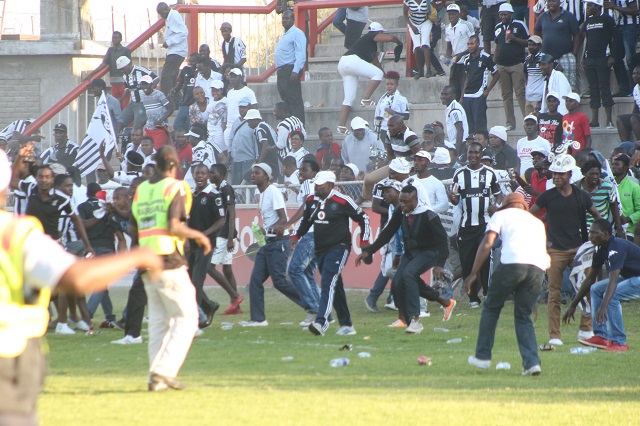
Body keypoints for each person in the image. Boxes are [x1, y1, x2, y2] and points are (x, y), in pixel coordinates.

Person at [0, 149, 164, 423]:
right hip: (10, 354)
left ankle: (76, 320)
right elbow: (76, 278)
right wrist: (138, 256)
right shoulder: (13, 233)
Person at [130, 144, 211, 391]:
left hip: (146, 261)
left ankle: (155, 377)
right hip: (168, 258)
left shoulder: (141, 189)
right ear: (174, 166)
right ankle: (164, 372)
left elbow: (133, 229)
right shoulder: (175, 187)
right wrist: (200, 236)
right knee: (188, 318)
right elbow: (175, 226)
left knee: (158, 321)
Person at [465, 192, 549, 375]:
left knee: (491, 307)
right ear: (524, 207)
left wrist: (473, 273)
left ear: (505, 206)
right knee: (523, 316)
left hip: (512, 264)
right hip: (538, 269)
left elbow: (488, 243)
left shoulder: (501, 215)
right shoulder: (536, 222)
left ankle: (482, 357)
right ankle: (532, 363)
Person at [357, 184, 456, 333]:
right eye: (401, 201)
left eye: (407, 202)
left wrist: (439, 264)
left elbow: (443, 240)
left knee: (409, 274)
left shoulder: (429, 214)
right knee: (397, 281)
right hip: (410, 252)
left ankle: (415, 320)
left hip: (429, 252)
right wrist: (370, 250)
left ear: (416, 199)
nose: (403, 204)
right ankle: (412, 316)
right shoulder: (401, 211)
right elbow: (388, 231)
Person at [529, 153, 601, 345]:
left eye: (560, 174)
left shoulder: (581, 196)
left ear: (570, 175)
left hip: (578, 249)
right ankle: (554, 335)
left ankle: (586, 329)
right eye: (554, 174)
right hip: (555, 251)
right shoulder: (547, 196)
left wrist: (595, 237)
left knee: (586, 289)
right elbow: (530, 216)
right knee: (554, 294)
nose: (556, 177)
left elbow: (597, 216)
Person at [292, 170, 371, 336]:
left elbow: (363, 218)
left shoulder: (342, 200)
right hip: (320, 249)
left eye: (320, 185)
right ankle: (346, 325)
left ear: (330, 185)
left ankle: (321, 322)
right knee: (336, 285)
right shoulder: (311, 200)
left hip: (339, 247)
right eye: (315, 184)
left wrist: (364, 242)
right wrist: (296, 236)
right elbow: (306, 221)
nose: (316, 188)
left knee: (328, 281)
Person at [241, 163, 307, 327]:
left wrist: (268, 229)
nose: (253, 175)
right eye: (253, 173)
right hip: (267, 244)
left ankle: (315, 306)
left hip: (278, 243)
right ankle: (258, 319)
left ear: (267, 176)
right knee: (255, 280)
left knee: (279, 281)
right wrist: (265, 232)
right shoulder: (262, 193)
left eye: (257, 173)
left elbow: (283, 219)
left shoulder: (273, 191)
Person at [563, 219, 640, 351]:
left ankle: (619, 342)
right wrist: (573, 304)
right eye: (590, 232)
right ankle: (601, 336)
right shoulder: (600, 248)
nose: (591, 236)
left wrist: (604, 306)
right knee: (595, 289)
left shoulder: (616, 247)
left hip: (637, 278)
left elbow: (613, 279)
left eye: (595, 233)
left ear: (606, 234)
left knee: (611, 295)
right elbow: (589, 279)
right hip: (632, 277)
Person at [449, 142, 502, 308]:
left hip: (485, 225)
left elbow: (498, 195)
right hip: (466, 225)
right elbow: (455, 197)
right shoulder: (459, 174)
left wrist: (496, 206)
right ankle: (473, 298)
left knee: (486, 261)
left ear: (481, 154)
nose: (472, 156)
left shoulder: (490, 174)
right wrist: (453, 198)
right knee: (467, 262)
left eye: (476, 153)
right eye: (470, 153)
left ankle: (487, 294)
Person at [336, 22, 403, 134]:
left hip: (343, 64)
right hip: (351, 61)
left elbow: (376, 63)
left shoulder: (369, 47)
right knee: (377, 75)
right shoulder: (371, 35)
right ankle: (366, 99)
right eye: (381, 33)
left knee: (348, 99)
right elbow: (390, 37)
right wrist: (398, 42)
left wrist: (385, 74)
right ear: (379, 32)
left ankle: (341, 127)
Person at [188, 164, 225, 329]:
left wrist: (205, 234)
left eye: (203, 173)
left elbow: (221, 220)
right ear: (193, 175)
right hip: (191, 244)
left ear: (208, 176)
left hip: (206, 244)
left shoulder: (213, 195)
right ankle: (208, 305)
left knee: (196, 281)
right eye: (197, 174)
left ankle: (195, 318)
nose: (200, 176)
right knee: (187, 281)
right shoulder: (191, 195)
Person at [207, 164, 243, 314]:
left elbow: (232, 212)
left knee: (209, 267)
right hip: (224, 234)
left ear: (221, 174)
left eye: (212, 173)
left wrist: (230, 238)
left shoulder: (226, 188)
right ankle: (236, 306)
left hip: (223, 235)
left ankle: (235, 296)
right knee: (227, 269)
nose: (210, 175)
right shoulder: (218, 189)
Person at [580, 0, 616, 129]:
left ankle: (609, 120)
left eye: (590, 5)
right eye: (587, 5)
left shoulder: (607, 19)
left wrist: (612, 56)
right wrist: (584, 57)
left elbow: (615, 38)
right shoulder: (588, 22)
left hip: (603, 58)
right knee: (593, 89)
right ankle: (594, 120)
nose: (587, 7)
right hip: (590, 59)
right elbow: (587, 41)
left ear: (597, 6)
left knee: (604, 88)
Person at [493, 2, 528, 131]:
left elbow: (527, 42)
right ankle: (510, 123)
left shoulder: (519, 24)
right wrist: (494, 63)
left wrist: (514, 38)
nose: (503, 16)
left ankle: (527, 121)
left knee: (520, 93)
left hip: (516, 64)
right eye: (501, 14)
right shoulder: (497, 27)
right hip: (502, 65)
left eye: (505, 14)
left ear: (511, 14)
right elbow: (497, 46)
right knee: (506, 95)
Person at [533, 0, 581, 92]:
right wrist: (541, 46)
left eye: (554, 1)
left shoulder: (568, 16)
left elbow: (576, 35)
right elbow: (536, 30)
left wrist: (574, 53)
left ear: (560, 2)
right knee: (550, 87)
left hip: (565, 56)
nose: (551, 3)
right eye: (549, 1)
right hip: (547, 58)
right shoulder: (542, 17)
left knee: (568, 86)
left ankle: (568, 106)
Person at [461, 35, 500, 134]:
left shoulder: (486, 57)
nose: (470, 46)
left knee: (480, 127)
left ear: (478, 44)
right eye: (468, 44)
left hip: (479, 95)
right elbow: (467, 78)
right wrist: (462, 96)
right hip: (467, 96)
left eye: (472, 44)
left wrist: (487, 90)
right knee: (469, 127)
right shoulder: (466, 59)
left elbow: (496, 74)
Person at [275, 10, 306, 124]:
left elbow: (301, 54)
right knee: (286, 100)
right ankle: (291, 127)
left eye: (288, 18)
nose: (285, 20)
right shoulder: (285, 34)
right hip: (282, 71)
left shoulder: (297, 33)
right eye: (283, 18)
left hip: (291, 70)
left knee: (294, 101)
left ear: (293, 20)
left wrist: (296, 71)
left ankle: (299, 128)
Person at [84, 31, 132, 103]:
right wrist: (92, 73)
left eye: (116, 37)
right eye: (113, 37)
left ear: (121, 39)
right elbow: (104, 64)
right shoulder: (110, 50)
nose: (114, 39)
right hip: (114, 82)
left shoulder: (126, 50)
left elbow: (129, 66)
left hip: (124, 82)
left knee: (124, 104)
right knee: (116, 104)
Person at [576, 159, 623, 234]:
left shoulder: (607, 187)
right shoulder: (576, 188)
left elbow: (613, 205)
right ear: (584, 173)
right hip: (579, 228)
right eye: (592, 174)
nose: (595, 177)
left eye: (597, 174)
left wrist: (619, 226)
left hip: (599, 228)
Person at [156, 2, 188, 104]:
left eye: (161, 13)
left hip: (177, 51)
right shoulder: (170, 18)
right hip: (174, 51)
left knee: (165, 77)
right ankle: (179, 101)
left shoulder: (173, 15)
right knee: (172, 78)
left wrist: (169, 42)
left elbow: (183, 32)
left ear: (166, 10)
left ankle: (169, 102)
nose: (162, 16)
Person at [115, 56, 157, 134]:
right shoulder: (125, 76)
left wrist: (149, 90)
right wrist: (121, 99)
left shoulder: (140, 71)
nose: (122, 71)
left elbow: (156, 78)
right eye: (120, 70)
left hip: (142, 103)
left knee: (137, 126)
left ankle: (138, 143)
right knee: (121, 121)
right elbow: (128, 88)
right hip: (133, 103)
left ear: (129, 64)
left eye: (123, 68)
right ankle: (115, 138)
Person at [605, 0, 637, 98]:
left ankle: (635, 89)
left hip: (630, 26)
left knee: (630, 59)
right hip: (618, 27)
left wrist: (615, 7)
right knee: (616, 58)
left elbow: (635, 10)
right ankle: (625, 89)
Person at [445, 4, 475, 100]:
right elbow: (449, 46)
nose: (451, 17)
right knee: (454, 89)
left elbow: (474, 43)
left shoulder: (466, 25)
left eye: (454, 14)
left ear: (458, 14)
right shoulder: (448, 28)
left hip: (466, 61)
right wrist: (447, 56)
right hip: (455, 63)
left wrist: (461, 54)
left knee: (464, 89)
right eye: (450, 14)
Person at [224, 68, 258, 148]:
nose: (232, 79)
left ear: (241, 78)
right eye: (231, 77)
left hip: (242, 125)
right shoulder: (229, 92)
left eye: (235, 77)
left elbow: (255, 109)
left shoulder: (248, 92)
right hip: (229, 127)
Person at [404, 0, 438, 79]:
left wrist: (433, 13)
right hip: (413, 23)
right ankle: (420, 71)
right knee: (417, 46)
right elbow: (405, 14)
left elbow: (435, 8)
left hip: (426, 22)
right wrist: (412, 27)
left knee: (425, 44)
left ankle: (429, 70)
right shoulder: (408, 1)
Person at [374, 71, 410, 143]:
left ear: (397, 85)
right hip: (383, 129)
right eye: (387, 84)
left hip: (395, 130)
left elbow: (406, 116)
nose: (389, 86)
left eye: (391, 84)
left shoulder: (402, 99)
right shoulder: (383, 99)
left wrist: (393, 113)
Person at [139, 76, 174, 149]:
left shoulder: (159, 94)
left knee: (157, 149)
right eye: (142, 84)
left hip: (160, 128)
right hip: (149, 128)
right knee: (145, 148)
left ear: (151, 84)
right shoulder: (142, 95)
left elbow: (170, 109)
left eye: (146, 84)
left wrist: (161, 120)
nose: (144, 86)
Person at [611, 153, 640, 243]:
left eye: (617, 164)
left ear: (626, 167)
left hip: (627, 231)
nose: (613, 167)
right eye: (613, 164)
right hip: (609, 230)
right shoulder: (607, 183)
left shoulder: (634, 187)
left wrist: (628, 219)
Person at [229, 99, 259, 185]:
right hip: (235, 160)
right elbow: (231, 138)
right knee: (235, 186)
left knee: (247, 184)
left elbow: (256, 142)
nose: (242, 109)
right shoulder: (236, 121)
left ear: (249, 108)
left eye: (244, 107)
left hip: (248, 160)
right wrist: (229, 156)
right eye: (240, 107)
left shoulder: (252, 122)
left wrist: (257, 159)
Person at [170, 52, 199, 132]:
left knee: (190, 126)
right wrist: (174, 90)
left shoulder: (200, 72)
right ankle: (183, 138)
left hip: (194, 105)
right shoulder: (185, 70)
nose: (190, 63)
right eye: (189, 61)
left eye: (192, 61)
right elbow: (180, 84)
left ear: (197, 61)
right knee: (177, 124)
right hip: (185, 103)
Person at [440, 85, 469, 153]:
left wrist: (457, 151)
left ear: (454, 95)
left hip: (459, 145)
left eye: (446, 94)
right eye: (442, 94)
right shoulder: (451, 107)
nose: (443, 97)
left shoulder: (454, 110)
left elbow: (460, 130)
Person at [616, 66, 640, 142]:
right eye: (633, 73)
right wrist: (632, 116)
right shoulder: (636, 88)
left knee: (634, 119)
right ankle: (625, 146)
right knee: (620, 119)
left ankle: (638, 146)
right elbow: (636, 106)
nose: (634, 76)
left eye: (637, 74)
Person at [523, 35, 544, 115]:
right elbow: (524, 72)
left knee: (538, 121)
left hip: (539, 97)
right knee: (529, 120)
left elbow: (558, 68)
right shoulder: (527, 58)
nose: (531, 47)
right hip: (528, 96)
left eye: (533, 45)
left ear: (539, 46)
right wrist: (528, 85)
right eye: (529, 45)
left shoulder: (544, 58)